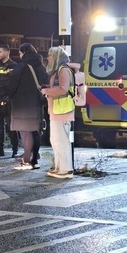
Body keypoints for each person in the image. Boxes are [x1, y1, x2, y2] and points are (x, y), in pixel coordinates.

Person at [8, 43, 47, 170]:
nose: (19, 56)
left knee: (26, 132)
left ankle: (25, 160)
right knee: (36, 131)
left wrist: (8, 96)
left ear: (24, 52)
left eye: (20, 53)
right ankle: (34, 160)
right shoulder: (41, 66)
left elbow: (13, 84)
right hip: (37, 103)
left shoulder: (21, 66)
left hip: (22, 104)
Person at [41, 46, 76, 179]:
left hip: (62, 110)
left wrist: (47, 91)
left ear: (55, 57)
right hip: (58, 110)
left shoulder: (63, 70)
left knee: (61, 141)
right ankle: (59, 168)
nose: (48, 58)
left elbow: (63, 89)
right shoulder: (61, 69)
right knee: (56, 140)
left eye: (50, 55)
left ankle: (66, 169)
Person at [0, 45, 20, 158]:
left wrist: (9, 96)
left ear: (7, 52)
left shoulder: (13, 65)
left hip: (8, 98)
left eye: (0, 51)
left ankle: (15, 149)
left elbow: (15, 83)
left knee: (10, 125)